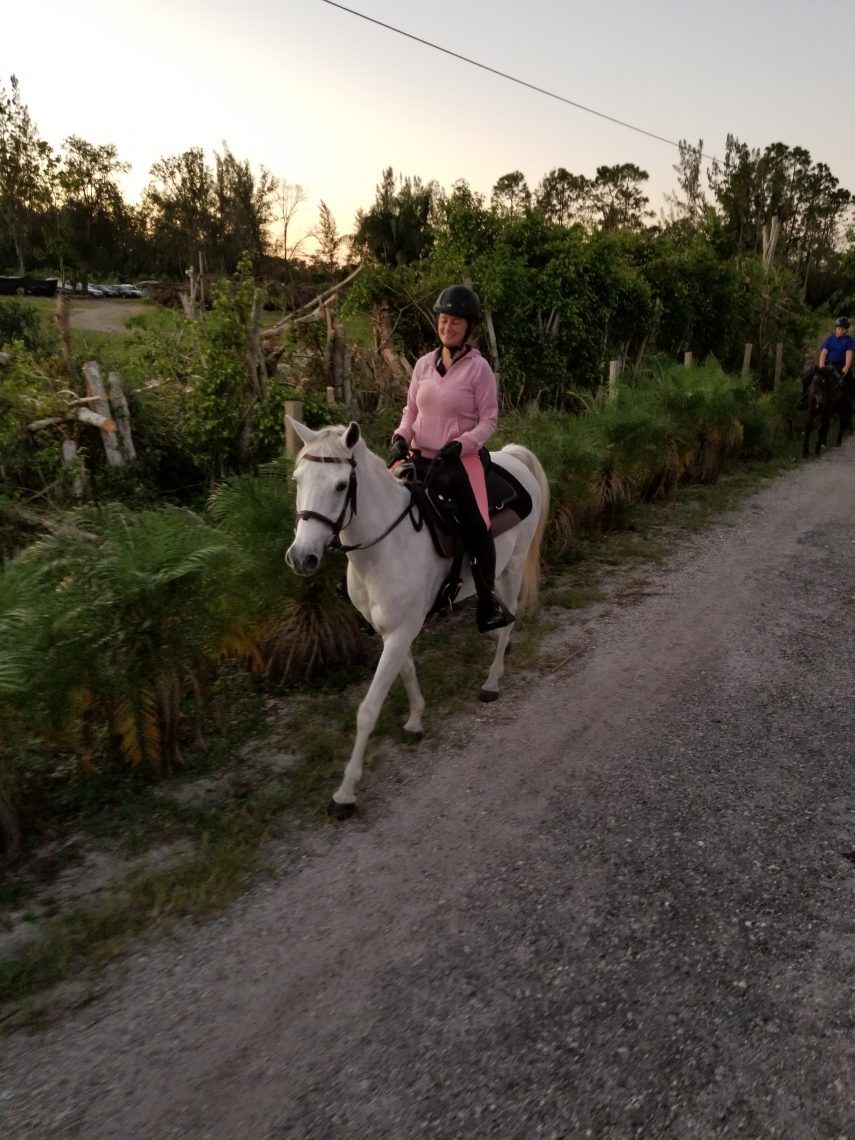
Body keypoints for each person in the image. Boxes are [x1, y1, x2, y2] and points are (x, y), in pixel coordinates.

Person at [389, 284, 513, 632]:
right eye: (444, 320)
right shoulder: (423, 365)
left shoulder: (479, 369)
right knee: (375, 498)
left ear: (469, 327)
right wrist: (401, 436)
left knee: (477, 525)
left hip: (460, 460)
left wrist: (463, 443)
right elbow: (411, 410)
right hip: (421, 457)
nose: (448, 327)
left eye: (456, 322)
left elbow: (489, 419)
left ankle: (487, 599)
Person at [798, 316, 854, 408]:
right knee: (808, 377)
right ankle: (804, 399)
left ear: (846, 330)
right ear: (836, 328)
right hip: (827, 365)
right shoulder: (830, 339)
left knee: (850, 381)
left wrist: (846, 368)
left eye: (843, 329)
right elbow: (824, 353)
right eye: (839, 328)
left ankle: (849, 405)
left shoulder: (848, 340)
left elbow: (849, 354)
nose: (840, 331)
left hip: (840, 366)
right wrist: (822, 366)